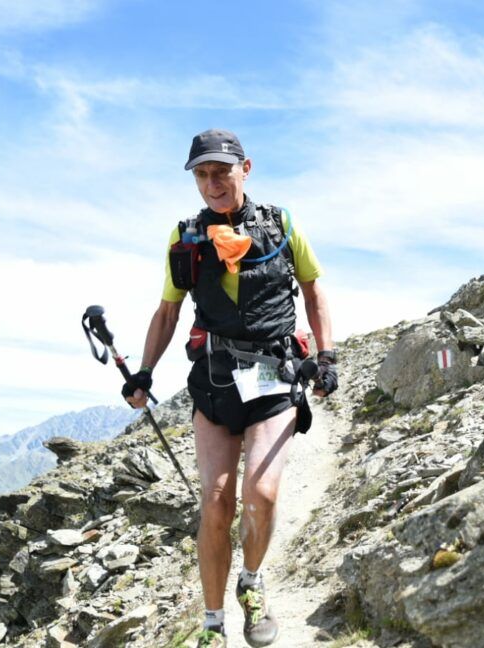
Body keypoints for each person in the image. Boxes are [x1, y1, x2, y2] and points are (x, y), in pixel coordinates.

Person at [121, 128, 337, 648]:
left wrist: (327, 355)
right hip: (215, 383)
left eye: (221, 171)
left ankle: (252, 582)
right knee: (216, 506)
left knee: (261, 494)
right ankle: (213, 622)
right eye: (202, 174)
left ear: (246, 168)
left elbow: (313, 290)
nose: (212, 183)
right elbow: (168, 311)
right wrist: (145, 371)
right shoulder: (186, 238)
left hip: (274, 376)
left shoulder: (281, 224)